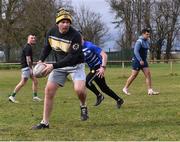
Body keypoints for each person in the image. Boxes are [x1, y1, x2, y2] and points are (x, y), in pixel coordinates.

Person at [32, 8, 88, 130]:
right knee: (49, 90)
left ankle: (83, 105)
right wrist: (41, 60)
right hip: (59, 66)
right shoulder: (51, 32)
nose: (66, 24)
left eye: (68, 22)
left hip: (75, 65)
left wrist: (53, 66)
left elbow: (72, 58)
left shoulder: (76, 36)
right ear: (57, 23)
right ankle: (45, 123)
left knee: (79, 90)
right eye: (63, 22)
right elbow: (47, 47)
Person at [82, 38, 124, 108]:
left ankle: (99, 96)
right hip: (92, 68)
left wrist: (103, 67)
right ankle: (119, 100)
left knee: (87, 82)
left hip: (98, 67)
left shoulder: (89, 46)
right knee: (104, 88)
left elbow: (104, 55)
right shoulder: (77, 48)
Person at [122, 28, 159, 96]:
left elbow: (146, 51)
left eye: (149, 34)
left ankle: (150, 91)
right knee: (134, 76)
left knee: (148, 74)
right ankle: (125, 88)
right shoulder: (139, 41)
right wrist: (140, 60)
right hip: (137, 61)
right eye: (147, 34)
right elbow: (136, 51)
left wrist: (145, 59)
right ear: (143, 34)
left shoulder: (147, 41)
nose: (148, 36)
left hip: (144, 61)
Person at [8, 35, 42, 103]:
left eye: (34, 38)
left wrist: (35, 63)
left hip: (27, 67)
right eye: (31, 38)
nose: (33, 39)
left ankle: (35, 97)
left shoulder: (29, 47)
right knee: (23, 82)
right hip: (26, 68)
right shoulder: (28, 47)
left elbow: (29, 60)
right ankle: (12, 96)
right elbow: (28, 59)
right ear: (28, 39)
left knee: (35, 81)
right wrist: (31, 68)